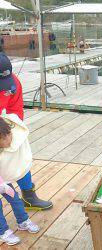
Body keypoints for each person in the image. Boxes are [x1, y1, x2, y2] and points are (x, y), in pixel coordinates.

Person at [0, 52, 52, 210]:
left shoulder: (12, 82)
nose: (5, 87)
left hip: (5, 122)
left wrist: (11, 132)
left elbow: (16, 110)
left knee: (19, 153)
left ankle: (29, 197)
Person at [0, 115, 40, 245]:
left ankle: (23, 221)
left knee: (15, 199)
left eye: (7, 136)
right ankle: (3, 231)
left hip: (3, 181)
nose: (8, 141)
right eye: (3, 140)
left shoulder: (12, 134)